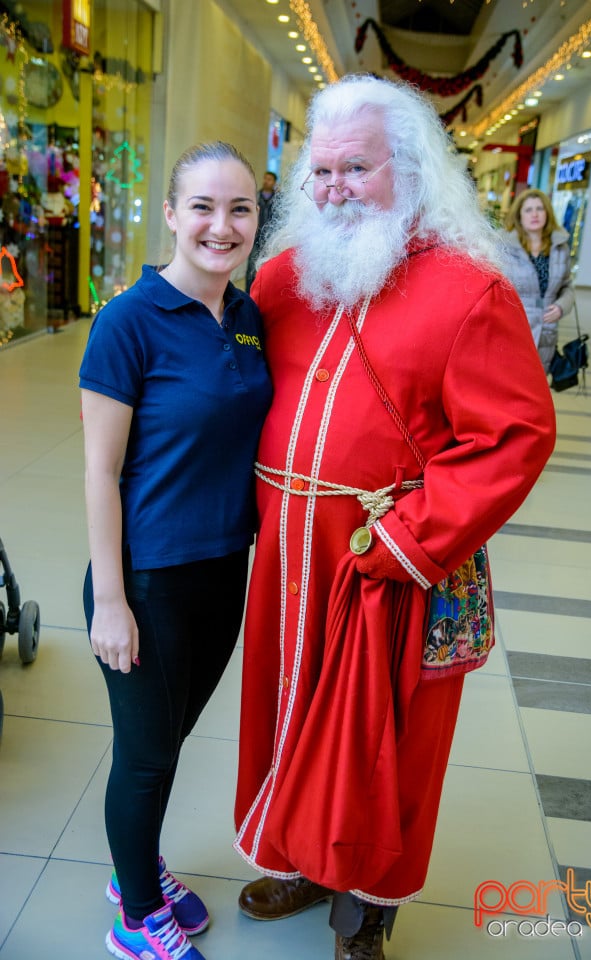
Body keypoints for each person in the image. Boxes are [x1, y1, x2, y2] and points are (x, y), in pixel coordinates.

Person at [232, 75, 556, 960]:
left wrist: (406, 541)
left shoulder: (469, 292)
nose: (333, 188)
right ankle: (304, 857)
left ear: (408, 172)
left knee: (390, 750)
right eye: (321, 171)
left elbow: (514, 435)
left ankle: (368, 906)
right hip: (290, 563)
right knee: (289, 715)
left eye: (357, 168)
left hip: (391, 567)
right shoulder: (281, 278)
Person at [79, 142, 272, 960]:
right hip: (148, 579)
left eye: (240, 210)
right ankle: (134, 918)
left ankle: (138, 874)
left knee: (169, 740)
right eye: (203, 207)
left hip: (225, 568)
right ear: (169, 214)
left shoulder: (249, 316)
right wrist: (114, 602)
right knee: (148, 755)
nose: (220, 226)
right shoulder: (128, 320)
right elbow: (99, 470)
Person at [502, 187, 575, 372]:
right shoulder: (504, 246)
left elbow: (567, 286)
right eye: (528, 210)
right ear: (519, 215)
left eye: (539, 209)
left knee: (538, 385)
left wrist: (561, 307)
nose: (535, 214)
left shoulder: (559, 248)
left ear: (547, 213)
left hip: (546, 327)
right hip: (514, 325)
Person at [245, 170, 278, 290]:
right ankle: (249, 294)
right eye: (265, 178)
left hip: (270, 240)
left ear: (274, 182)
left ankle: (265, 292)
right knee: (251, 268)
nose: (266, 181)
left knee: (269, 267)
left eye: (269, 179)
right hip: (255, 238)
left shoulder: (278, 199)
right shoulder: (255, 198)